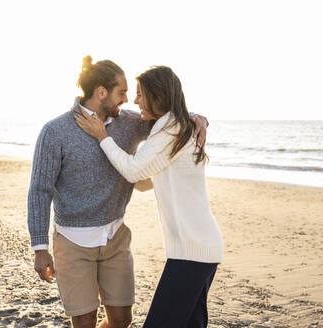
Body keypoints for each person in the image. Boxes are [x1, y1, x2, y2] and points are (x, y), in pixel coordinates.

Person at [27, 56, 208, 328]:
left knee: (122, 320)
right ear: (101, 92)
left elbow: (169, 121)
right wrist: (40, 247)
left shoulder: (129, 123)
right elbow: (40, 190)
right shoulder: (55, 131)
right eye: (122, 92)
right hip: (72, 242)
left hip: (116, 239)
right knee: (85, 321)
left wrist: (197, 117)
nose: (128, 99)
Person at [75, 65, 223, 328]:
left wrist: (102, 136)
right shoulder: (176, 125)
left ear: (158, 95)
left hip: (191, 252)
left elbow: (133, 170)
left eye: (141, 94)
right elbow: (145, 180)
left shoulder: (171, 129)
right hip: (203, 249)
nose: (135, 100)